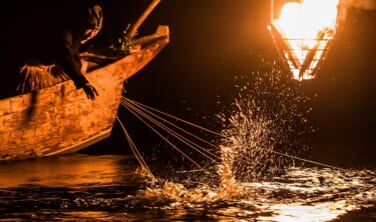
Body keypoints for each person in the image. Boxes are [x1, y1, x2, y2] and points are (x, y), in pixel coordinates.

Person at [13, 3, 103, 100]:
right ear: (81, 26)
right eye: (89, 30)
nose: (91, 35)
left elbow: (73, 51)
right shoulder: (65, 33)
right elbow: (65, 55)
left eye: (95, 32)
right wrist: (83, 81)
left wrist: (78, 63)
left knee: (82, 65)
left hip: (47, 64)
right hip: (29, 68)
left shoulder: (77, 36)